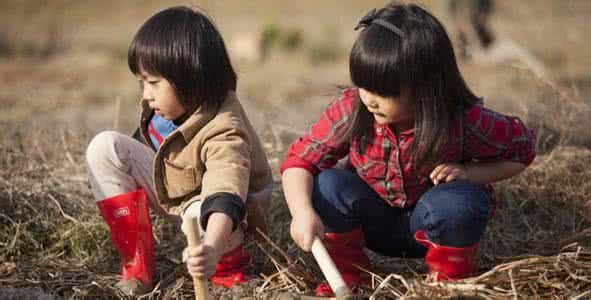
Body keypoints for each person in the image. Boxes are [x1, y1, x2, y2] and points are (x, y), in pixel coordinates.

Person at [280, 2, 535, 297]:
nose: (370, 100)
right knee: (327, 184)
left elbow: (522, 151)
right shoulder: (352, 109)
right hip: (372, 222)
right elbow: (300, 161)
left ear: (426, 87)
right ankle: (349, 275)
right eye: (364, 86)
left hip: (432, 224)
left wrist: (471, 173)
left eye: (385, 92)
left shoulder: (461, 120)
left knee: (461, 201)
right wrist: (301, 212)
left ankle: (448, 280)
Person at [85, 6, 273, 296]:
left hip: (227, 223)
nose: (145, 94)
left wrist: (210, 248)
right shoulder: (167, 107)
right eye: (141, 83)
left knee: (201, 212)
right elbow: (147, 152)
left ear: (190, 80)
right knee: (104, 147)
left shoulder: (225, 127)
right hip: (182, 199)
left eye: (153, 83)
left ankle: (227, 266)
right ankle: (137, 266)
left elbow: (226, 194)